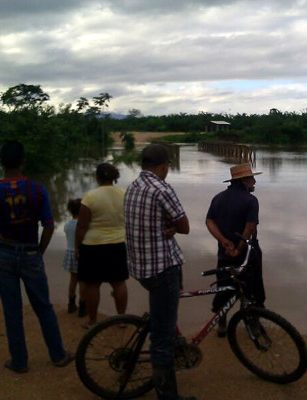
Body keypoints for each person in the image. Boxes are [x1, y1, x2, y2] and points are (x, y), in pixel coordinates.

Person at [0, 140, 74, 373]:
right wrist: (38, 252)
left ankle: (19, 361)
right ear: (23, 161)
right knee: (43, 307)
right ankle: (58, 355)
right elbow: (48, 226)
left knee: (12, 311)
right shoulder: (37, 189)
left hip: (4, 252)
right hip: (30, 251)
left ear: (1, 163)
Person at [124, 144, 195, 400]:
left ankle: (172, 339)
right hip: (162, 269)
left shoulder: (132, 187)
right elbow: (185, 226)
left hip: (141, 267)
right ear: (165, 165)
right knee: (161, 340)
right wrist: (174, 226)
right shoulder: (161, 188)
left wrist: (169, 226)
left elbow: (148, 222)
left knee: (163, 317)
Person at [206, 162, 265, 337]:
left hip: (224, 253)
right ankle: (253, 324)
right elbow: (250, 227)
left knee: (224, 288)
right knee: (252, 289)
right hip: (247, 254)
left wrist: (224, 241)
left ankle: (221, 325)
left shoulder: (217, 198)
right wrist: (239, 248)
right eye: (252, 178)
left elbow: (209, 222)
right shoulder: (251, 200)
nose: (254, 182)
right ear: (244, 180)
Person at [75, 163, 128, 328]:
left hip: (93, 246)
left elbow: (82, 226)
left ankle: (93, 321)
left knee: (92, 284)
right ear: (114, 177)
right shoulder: (124, 194)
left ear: (97, 178)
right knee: (119, 283)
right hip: (118, 244)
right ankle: (121, 319)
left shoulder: (90, 197)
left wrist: (77, 247)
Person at [63, 198, 86, 317]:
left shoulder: (67, 225)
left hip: (69, 253)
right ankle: (83, 305)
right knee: (83, 281)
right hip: (80, 254)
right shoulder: (82, 225)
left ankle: (71, 303)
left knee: (73, 280)